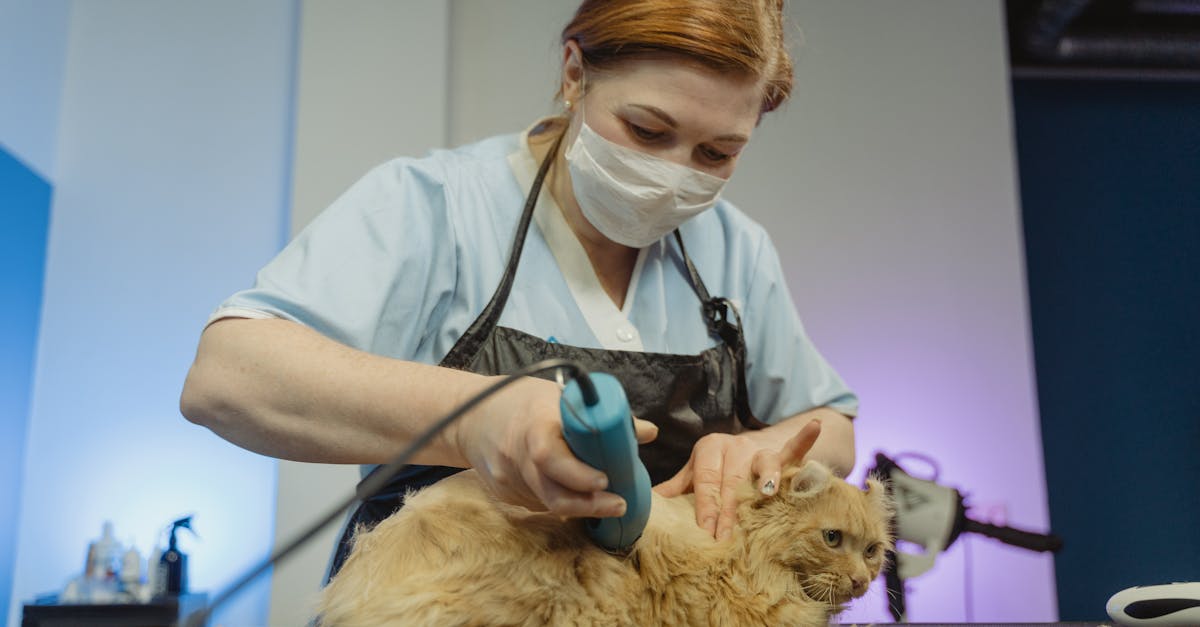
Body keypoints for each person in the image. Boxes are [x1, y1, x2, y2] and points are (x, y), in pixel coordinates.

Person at [180, 0, 858, 581]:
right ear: (574, 73)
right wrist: (473, 420)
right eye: (647, 131)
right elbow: (227, 378)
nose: (673, 175)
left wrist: (760, 451)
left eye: (717, 153)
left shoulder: (734, 248)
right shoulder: (439, 206)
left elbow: (833, 428)